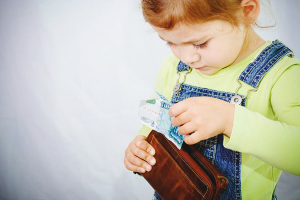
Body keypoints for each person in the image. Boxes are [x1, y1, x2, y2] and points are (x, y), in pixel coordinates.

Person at [124, 0, 300, 199]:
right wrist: (142, 145)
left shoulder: (281, 75)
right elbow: (157, 122)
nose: (187, 57)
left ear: (247, 11)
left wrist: (230, 121)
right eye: (170, 43)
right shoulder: (174, 68)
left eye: (200, 44)